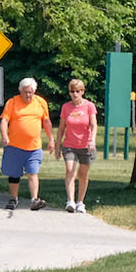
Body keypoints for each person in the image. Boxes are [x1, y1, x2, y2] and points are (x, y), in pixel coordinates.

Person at [0, 77, 54, 210]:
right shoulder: (12, 102)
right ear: (20, 91)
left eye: (30, 92)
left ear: (34, 91)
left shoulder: (41, 102)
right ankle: (14, 198)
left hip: (34, 147)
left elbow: (46, 122)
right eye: (25, 92)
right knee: (14, 174)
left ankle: (34, 200)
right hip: (14, 146)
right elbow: (4, 121)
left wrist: (51, 139)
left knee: (33, 173)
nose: (28, 95)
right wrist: (4, 135)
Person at [55, 78, 97, 213]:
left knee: (83, 174)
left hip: (85, 145)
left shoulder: (89, 106)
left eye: (77, 91)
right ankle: (70, 201)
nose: (74, 94)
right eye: (72, 91)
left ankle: (80, 202)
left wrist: (92, 140)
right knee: (70, 169)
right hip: (69, 145)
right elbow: (61, 128)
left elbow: (93, 124)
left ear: (83, 92)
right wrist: (57, 145)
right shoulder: (66, 107)